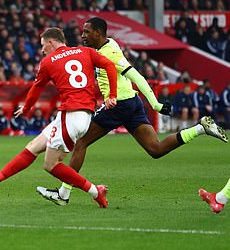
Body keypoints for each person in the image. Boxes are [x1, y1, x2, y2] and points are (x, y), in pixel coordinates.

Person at [37, 17, 227, 206]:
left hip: (119, 104)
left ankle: (64, 193)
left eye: (87, 32)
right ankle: (200, 128)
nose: (83, 35)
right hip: (131, 102)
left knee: (81, 143)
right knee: (156, 149)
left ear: (98, 33)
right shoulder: (109, 45)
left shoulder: (110, 52)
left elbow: (136, 75)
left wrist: (156, 104)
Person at [0, 27, 119, 208]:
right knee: (34, 146)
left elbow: (36, 88)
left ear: (51, 42)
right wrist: (112, 95)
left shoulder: (48, 62)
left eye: (43, 45)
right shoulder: (86, 52)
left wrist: (27, 107)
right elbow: (110, 65)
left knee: (50, 165)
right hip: (84, 115)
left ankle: (95, 191)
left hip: (70, 115)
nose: (42, 49)